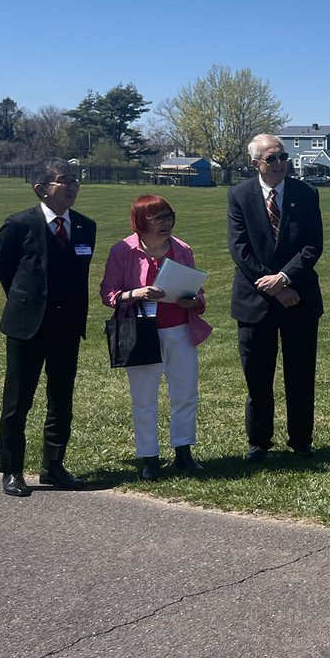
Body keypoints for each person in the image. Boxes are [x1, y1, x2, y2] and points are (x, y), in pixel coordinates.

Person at [0, 159, 96, 497]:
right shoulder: (19, 224)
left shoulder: (85, 226)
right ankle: (12, 470)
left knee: (61, 400)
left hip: (66, 328)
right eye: (63, 181)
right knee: (17, 402)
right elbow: (6, 270)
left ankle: (53, 466)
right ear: (41, 189)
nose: (72, 186)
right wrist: (29, 304)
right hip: (27, 327)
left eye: (74, 179)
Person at [100, 196, 212, 480]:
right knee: (144, 397)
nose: (166, 223)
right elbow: (108, 293)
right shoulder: (123, 250)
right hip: (140, 331)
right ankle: (149, 456)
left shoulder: (182, 249)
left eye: (169, 216)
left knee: (185, 393)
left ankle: (183, 451)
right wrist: (135, 293)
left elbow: (197, 292)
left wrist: (193, 301)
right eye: (158, 218)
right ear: (140, 221)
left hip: (180, 329)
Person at [227, 134, 324, 463]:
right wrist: (273, 286)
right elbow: (239, 250)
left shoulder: (306, 194)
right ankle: (259, 442)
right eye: (272, 158)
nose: (281, 163)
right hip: (255, 301)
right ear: (256, 164)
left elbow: (313, 246)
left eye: (284, 157)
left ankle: (301, 440)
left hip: (299, 298)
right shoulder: (239, 195)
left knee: (300, 373)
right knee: (257, 375)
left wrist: (284, 279)